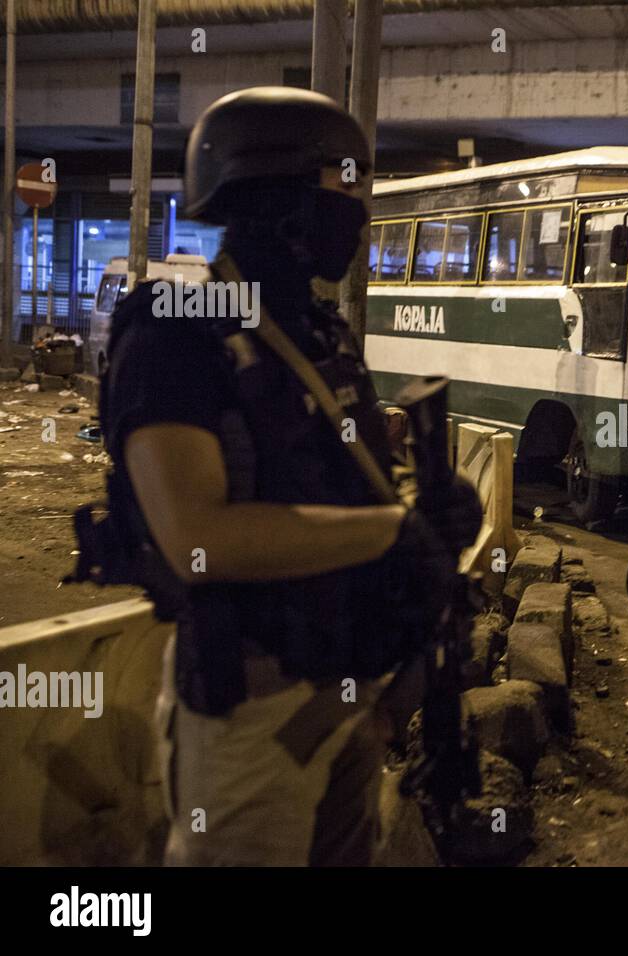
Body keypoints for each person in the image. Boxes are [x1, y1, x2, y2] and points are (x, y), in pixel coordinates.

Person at [93, 88, 476, 864]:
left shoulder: (313, 330)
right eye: (345, 185)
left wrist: (426, 504)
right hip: (252, 707)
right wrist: (394, 530)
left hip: (347, 687)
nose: (359, 210)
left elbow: (330, 484)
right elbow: (197, 537)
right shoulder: (175, 329)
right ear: (277, 193)